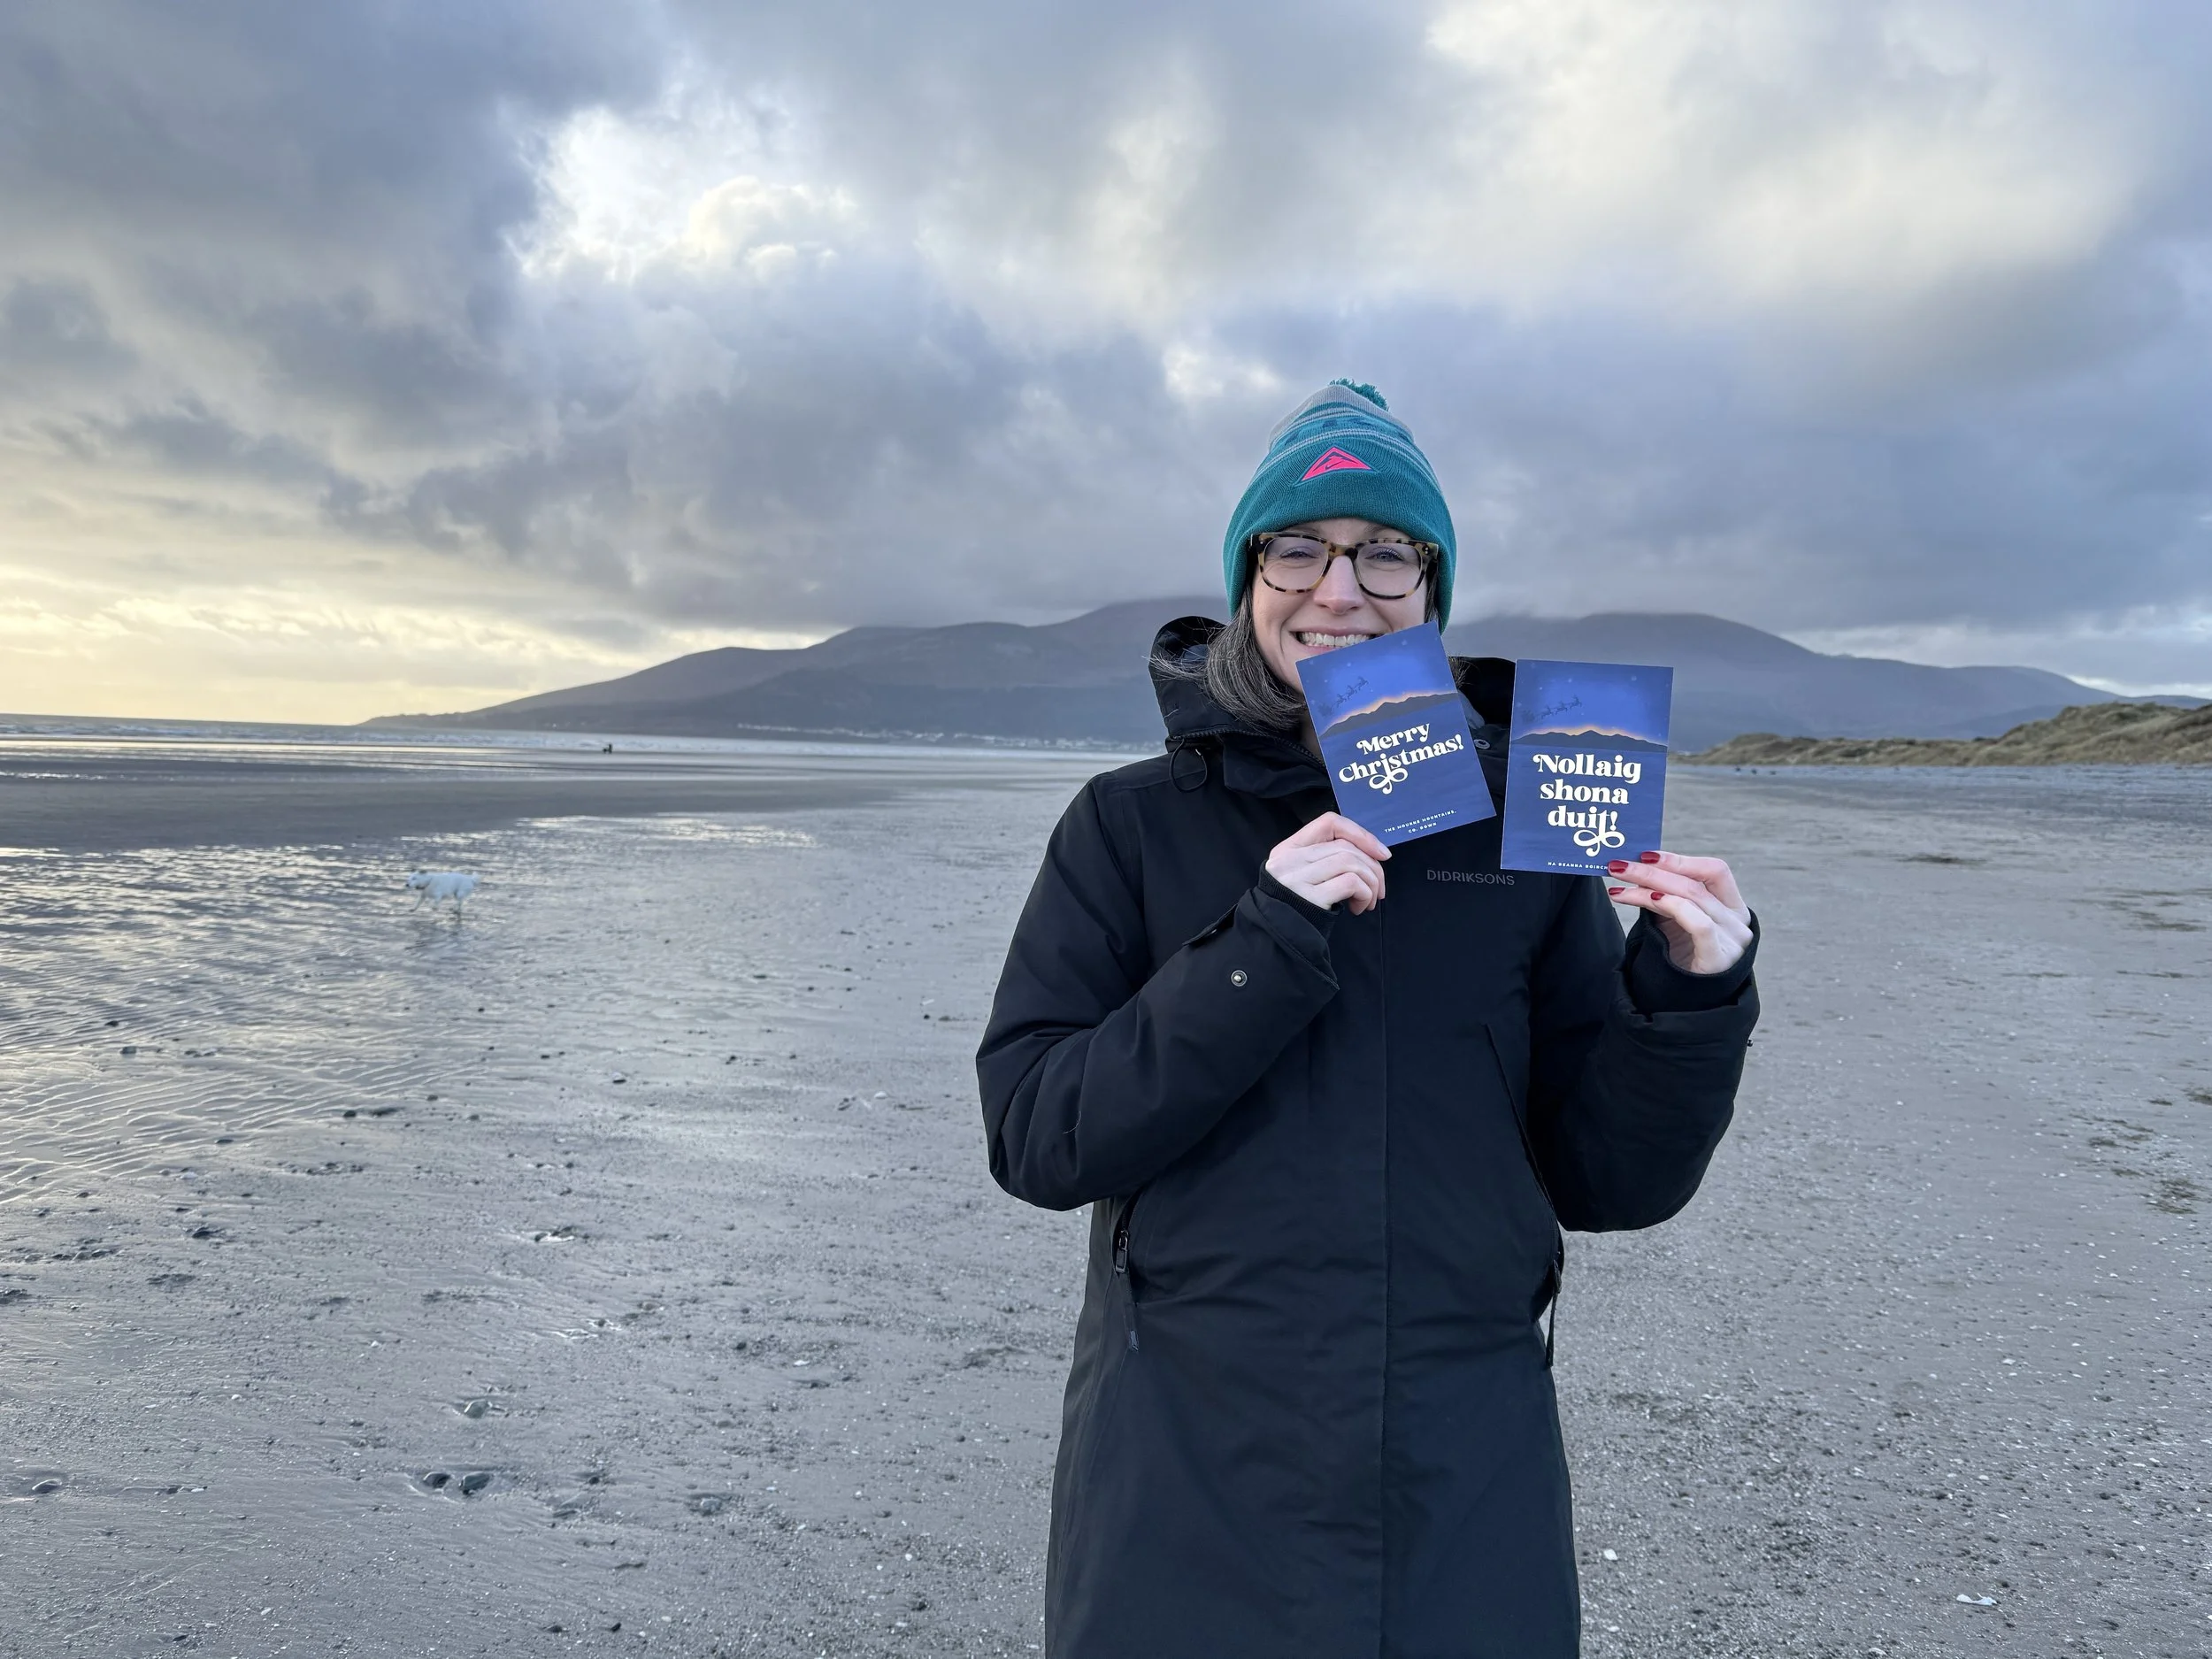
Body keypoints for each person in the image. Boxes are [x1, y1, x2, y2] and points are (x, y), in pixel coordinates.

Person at [976, 380, 1759, 1657]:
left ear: (1432, 594)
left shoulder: (1524, 834)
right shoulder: (1128, 824)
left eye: (1386, 552)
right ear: (1249, 578)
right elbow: (1038, 1136)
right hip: (1187, 1455)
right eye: (1299, 547)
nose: (1339, 587)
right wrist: (1265, 939)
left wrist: (1690, 993)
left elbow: (1610, 1175)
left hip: (1464, 1464)